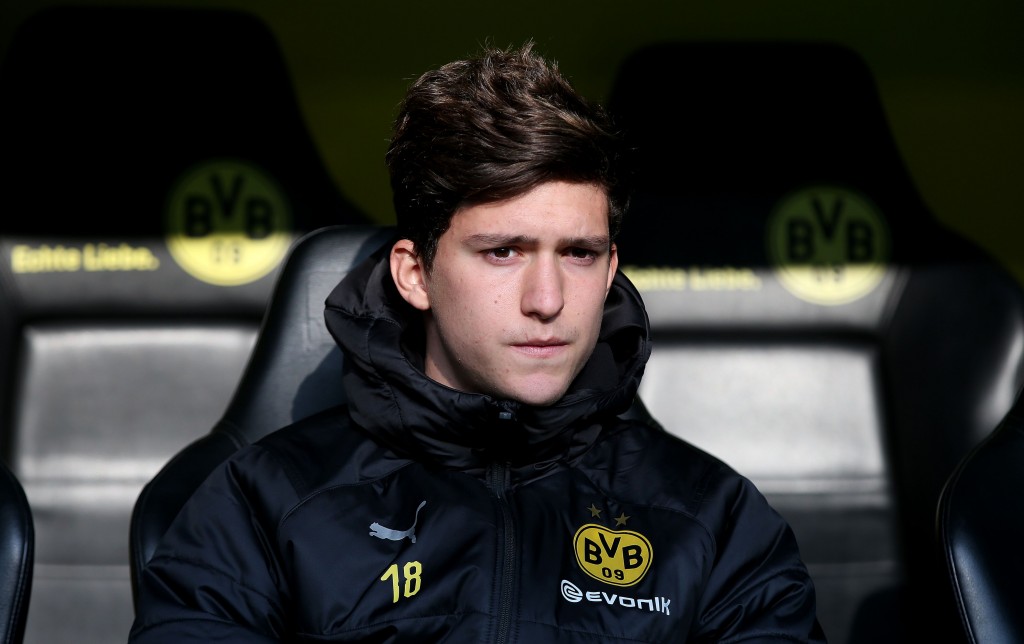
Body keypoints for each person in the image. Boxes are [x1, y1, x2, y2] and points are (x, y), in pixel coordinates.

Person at [129, 42, 825, 642]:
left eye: (579, 254)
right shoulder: (261, 504)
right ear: (415, 274)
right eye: (503, 252)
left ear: (612, 269)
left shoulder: (715, 521)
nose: (547, 300)